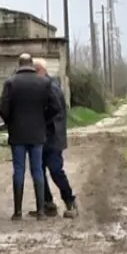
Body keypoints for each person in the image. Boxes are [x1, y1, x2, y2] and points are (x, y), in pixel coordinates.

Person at [0, 53, 62, 221]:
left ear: (19, 64)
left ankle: (17, 212)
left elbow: (3, 109)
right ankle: (41, 211)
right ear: (32, 65)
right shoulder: (44, 82)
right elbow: (56, 107)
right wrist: (43, 118)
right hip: (38, 133)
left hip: (17, 133)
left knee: (18, 170)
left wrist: (11, 122)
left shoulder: (10, 82)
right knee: (37, 170)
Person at [31, 58, 78, 218]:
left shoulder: (51, 87)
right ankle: (48, 203)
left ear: (39, 70)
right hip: (44, 135)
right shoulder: (46, 86)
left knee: (55, 169)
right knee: (40, 170)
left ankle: (70, 201)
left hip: (52, 137)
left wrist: (40, 121)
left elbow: (55, 111)